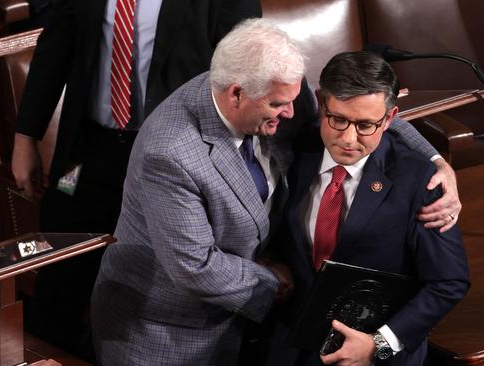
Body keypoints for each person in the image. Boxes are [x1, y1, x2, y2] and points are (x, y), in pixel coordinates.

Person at [91, 18, 461, 365]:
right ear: (236, 94)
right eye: (278, 105)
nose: (292, 113)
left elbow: (363, 111)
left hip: (255, 332)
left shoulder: (276, 90)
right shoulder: (171, 152)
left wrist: (435, 160)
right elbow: (195, 267)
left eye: (296, 100)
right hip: (168, 331)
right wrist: (280, 282)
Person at [9, 0, 262, 358]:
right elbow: (56, 47)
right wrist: (26, 138)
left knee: (153, 291)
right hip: (87, 155)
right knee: (57, 281)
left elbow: (246, 69)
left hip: (171, 162)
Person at [262, 51, 470, 366]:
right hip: (291, 348)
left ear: (389, 118)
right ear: (321, 103)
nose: (347, 138)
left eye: (364, 125)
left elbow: (448, 281)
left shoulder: (419, 181)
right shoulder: (293, 154)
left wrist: (379, 344)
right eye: (339, 119)